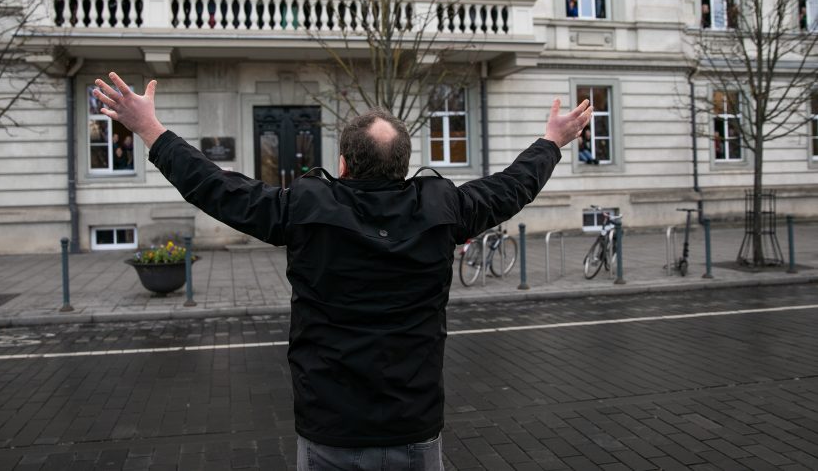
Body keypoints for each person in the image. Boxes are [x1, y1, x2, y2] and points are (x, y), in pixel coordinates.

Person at [92, 72, 591, 471]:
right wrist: (552, 139)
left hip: (330, 427)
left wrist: (149, 130)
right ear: (404, 165)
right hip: (413, 426)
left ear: (344, 165)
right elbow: (512, 186)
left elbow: (217, 188)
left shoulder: (306, 207)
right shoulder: (445, 207)